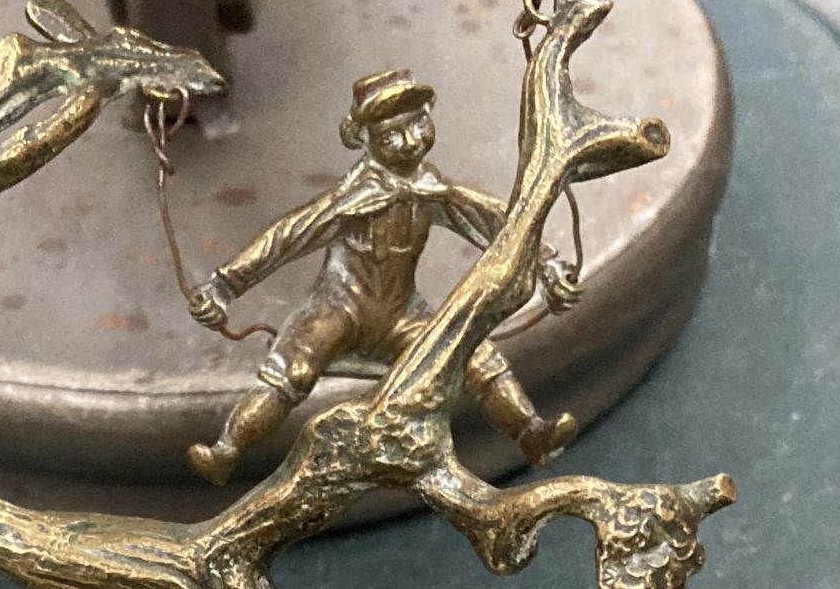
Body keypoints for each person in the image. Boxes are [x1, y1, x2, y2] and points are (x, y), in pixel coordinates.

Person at [186, 67, 581, 484]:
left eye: (419, 125)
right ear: (366, 139)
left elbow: (500, 224)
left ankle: (531, 433)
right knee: (292, 372)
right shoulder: (352, 199)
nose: (412, 142)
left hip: (402, 315)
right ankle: (226, 451)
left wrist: (547, 265)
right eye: (394, 135)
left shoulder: (433, 191)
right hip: (339, 309)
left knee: (475, 356)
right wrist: (224, 286)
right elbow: (287, 236)